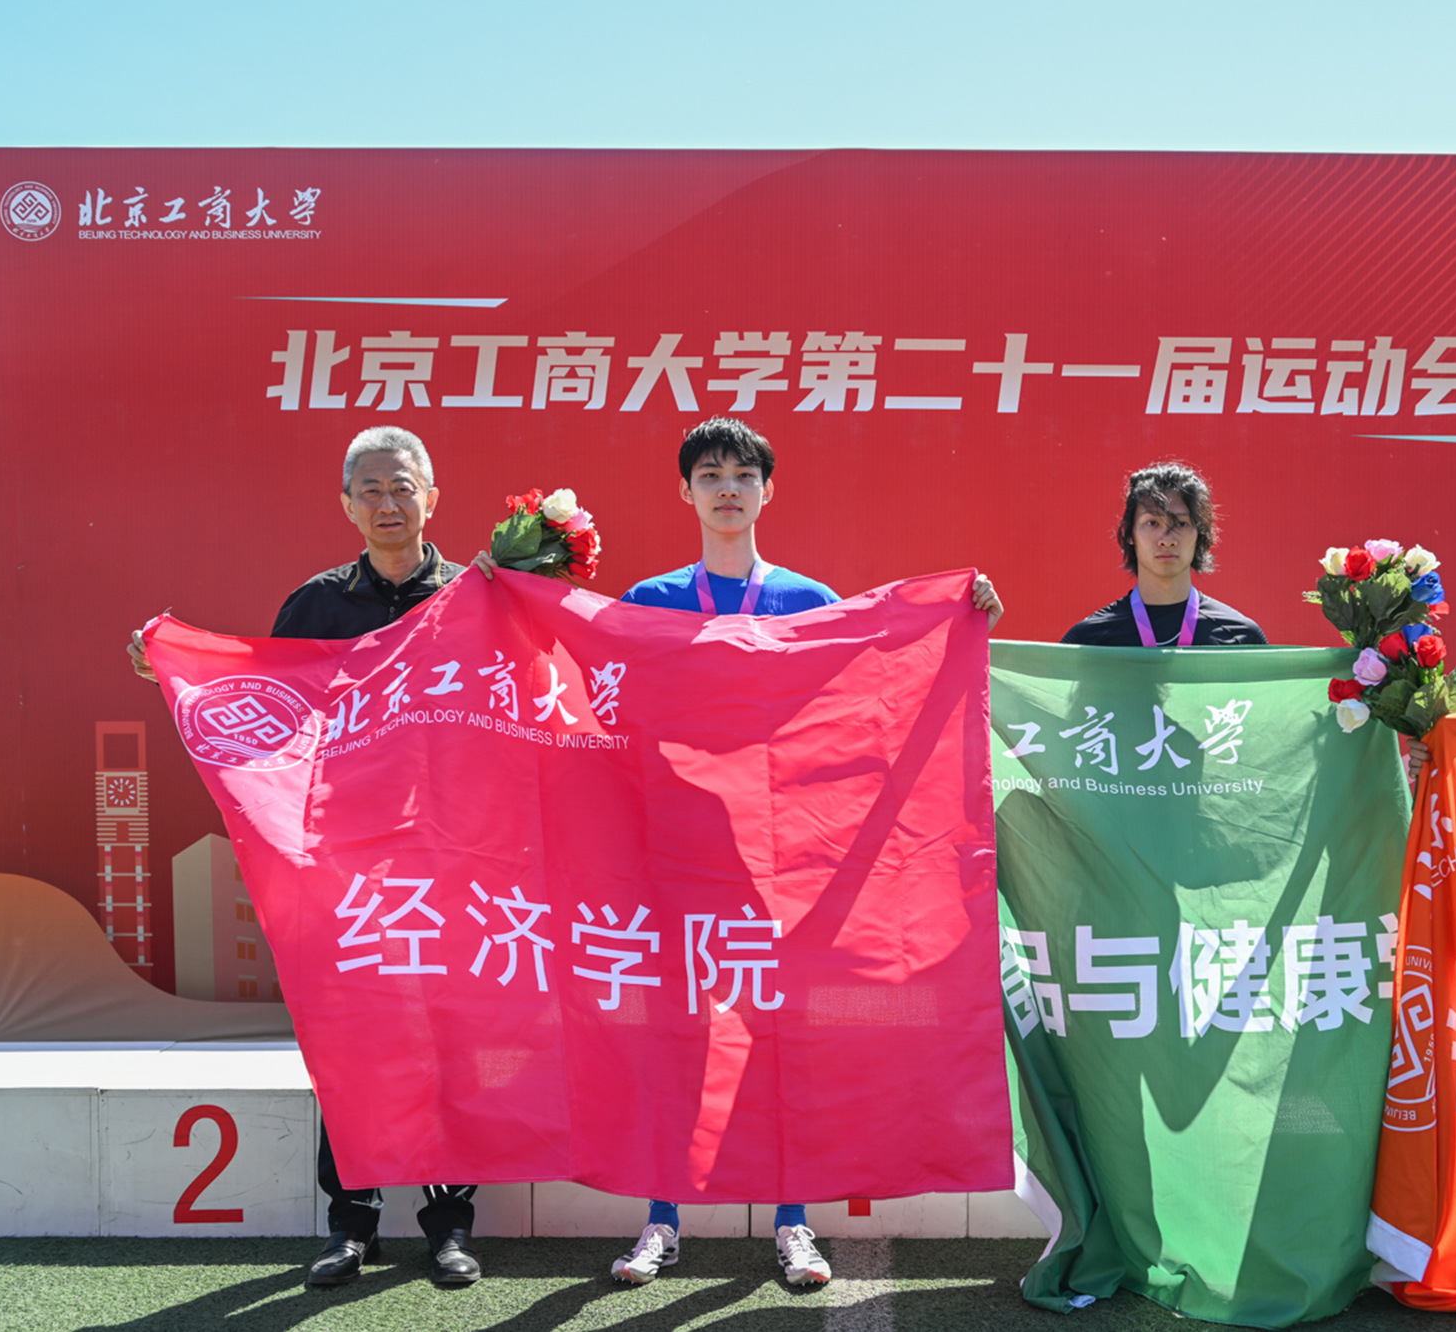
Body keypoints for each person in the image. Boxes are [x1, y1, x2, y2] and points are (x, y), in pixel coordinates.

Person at [478, 416, 1000, 1287]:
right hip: (670, 854)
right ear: (685, 491)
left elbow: (866, 696)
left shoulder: (807, 599)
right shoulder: (648, 602)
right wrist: (508, 596)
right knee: (674, 1035)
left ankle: (793, 1222)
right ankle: (662, 1219)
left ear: (767, 490)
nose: (728, 488)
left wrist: (962, 612)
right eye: (711, 474)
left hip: (780, 862)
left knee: (780, 1037)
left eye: (743, 474)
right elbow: (586, 693)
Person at [129, 426, 482, 1289]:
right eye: (371, 489)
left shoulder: (472, 597)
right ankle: (352, 1224)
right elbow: (270, 717)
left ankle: (448, 1227)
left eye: (402, 486)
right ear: (347, 505)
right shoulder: (315, 608)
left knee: (448, 1037)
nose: (388, 503)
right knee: (350, 1038)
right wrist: (175, 672)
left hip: (447, 855)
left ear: (432, 497)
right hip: (345, 862)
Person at [1059, 461, 1267, 647]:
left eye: (1182, 523)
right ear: (1129, 534)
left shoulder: (1241, 638)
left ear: (1200, 535)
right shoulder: (1088, 642)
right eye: (1152, 523)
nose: (1167, 540)